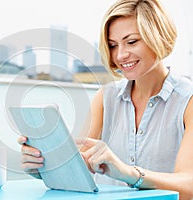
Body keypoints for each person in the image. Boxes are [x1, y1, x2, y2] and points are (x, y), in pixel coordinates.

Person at [17, 0, 193, 199]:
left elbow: (189, 186)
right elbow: (78, 171)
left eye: (132, 41)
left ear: (158, 36)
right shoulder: (106, 98)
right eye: (112, 45)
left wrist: (128, 173)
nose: (121, 55)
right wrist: (44, 166)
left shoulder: (187, 100)